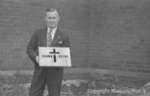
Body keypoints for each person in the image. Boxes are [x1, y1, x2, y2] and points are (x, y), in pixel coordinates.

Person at [26, 8, 70, 96]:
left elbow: (67, 53)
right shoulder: (38, 33)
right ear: (45, 19)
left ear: (58, 19)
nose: (51, 20)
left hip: (55, 72)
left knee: (54, 94)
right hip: (40, 70)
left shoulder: (64, 35)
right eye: (49, 18)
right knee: (34, 93)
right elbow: (30, 48)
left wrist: (62, 59)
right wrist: (36, 57)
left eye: (54, 18)